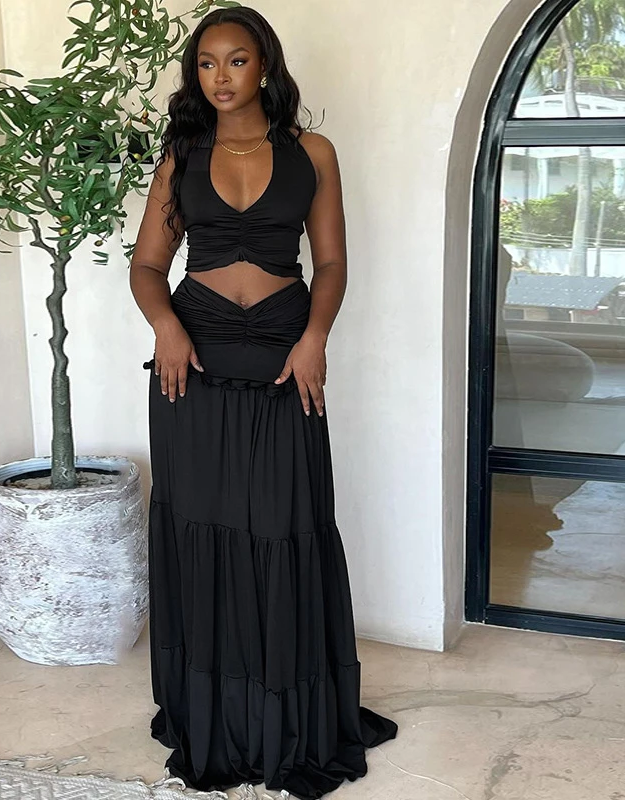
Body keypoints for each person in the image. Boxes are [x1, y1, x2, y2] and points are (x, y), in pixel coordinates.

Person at [128, 7, 398, 799]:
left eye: (237, 60)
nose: (220, 77)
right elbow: (147, 265)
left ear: (266, 67)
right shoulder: (181, 156)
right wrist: (165, 325)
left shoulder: (312, 153)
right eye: (206, 63)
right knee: (203, 528)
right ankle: (215, 715)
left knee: (284, 527)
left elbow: (333, 263)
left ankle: (288, 717)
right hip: (194, 362)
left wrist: (316, 339)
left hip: (286, 356)